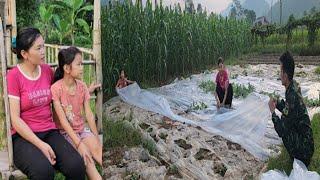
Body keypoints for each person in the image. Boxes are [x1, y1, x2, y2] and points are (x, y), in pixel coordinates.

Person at [7, 27, 86, 179]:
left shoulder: (47, 71)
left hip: (49, 131)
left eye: (43, 46)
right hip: (23, 137)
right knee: (43, 172)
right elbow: (15, 119)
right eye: (38, 48)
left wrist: (85, 90)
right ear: (24, 54)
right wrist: (41, 145)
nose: (43, 51)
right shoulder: (14, 76)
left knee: (76, 166)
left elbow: (63, 89)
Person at [51, 47, 102, 180]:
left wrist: (96, 137)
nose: (82, 67)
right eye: (79, 64)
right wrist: (79, 144)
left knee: (99, 151)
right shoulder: (56, 89)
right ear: (67, 68)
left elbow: (89, 115)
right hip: (66, 134)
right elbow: (63, 121)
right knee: (87, 160)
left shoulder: (82, 86)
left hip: (81, 130)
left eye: (82, 64)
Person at [268, 51, 314, 166]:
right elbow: (289, 111)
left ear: (285, 75)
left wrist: (273, 112)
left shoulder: (292, 95)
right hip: (306, 142)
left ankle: (298, 158)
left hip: (305, 150)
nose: (279, 75)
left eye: (280, 71)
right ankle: (298, 155)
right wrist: (278, 102)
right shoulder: (293, 86)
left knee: (285, 131)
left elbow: (281, 130)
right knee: (286, 122)